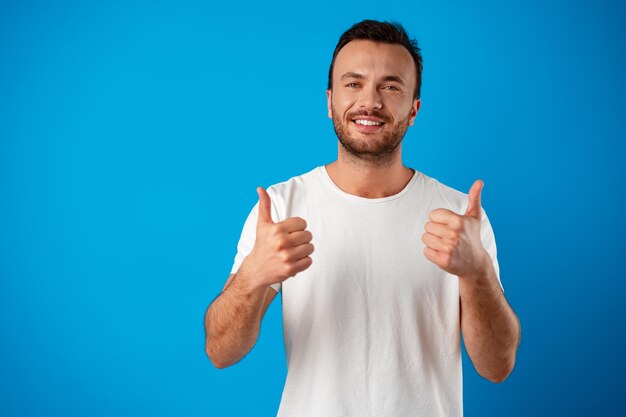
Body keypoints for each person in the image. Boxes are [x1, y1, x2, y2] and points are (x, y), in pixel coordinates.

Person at [204, 19, 521, 417]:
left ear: (413, 109)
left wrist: (478, 274)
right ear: (329, 100)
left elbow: (497, 367)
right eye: (353, 83)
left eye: (390, 86)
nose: (370, 101)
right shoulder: (282, 207)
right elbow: (220, 351)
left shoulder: (461, 217)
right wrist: (253, 275)